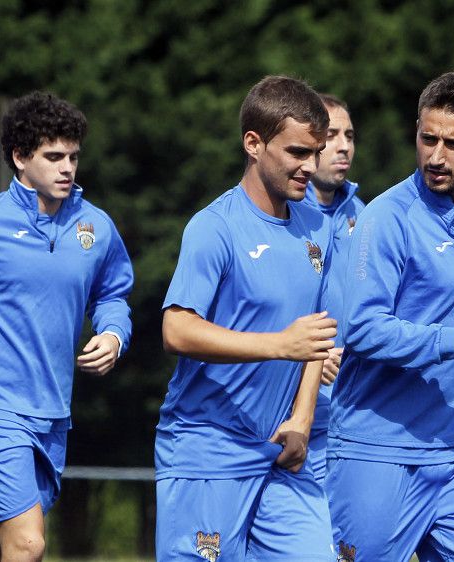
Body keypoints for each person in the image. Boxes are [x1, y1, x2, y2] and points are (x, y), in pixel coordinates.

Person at [328, 70, 454, 562]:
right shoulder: (386, 218)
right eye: (427, 138)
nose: (436, 156)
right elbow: (363, 328)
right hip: (378, 449)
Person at [0, 91, 133, 562]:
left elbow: (113, 294)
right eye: (54, 156)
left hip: (52, 411)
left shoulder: (95, 228)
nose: (67, 168)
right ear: (20, 157)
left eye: (74, 157)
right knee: (28, 543)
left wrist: (112, 334)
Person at [155, 75, 336, 561]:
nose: (310, 166)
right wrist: (279, 344)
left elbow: (317, 334)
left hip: (282, 452)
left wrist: (302, 418)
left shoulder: (318, 225)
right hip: (207, 449)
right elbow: (176, 328)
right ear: (253, 144)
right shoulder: (214, 228)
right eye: (298, 152)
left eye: (315, 152)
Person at [300, 92, 365, 486]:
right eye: (331, 134)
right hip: (284, 417)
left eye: (350, 135)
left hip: (350, 420)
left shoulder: (368, 218)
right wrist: (303, 360)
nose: (343, 146)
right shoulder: (279, 212)